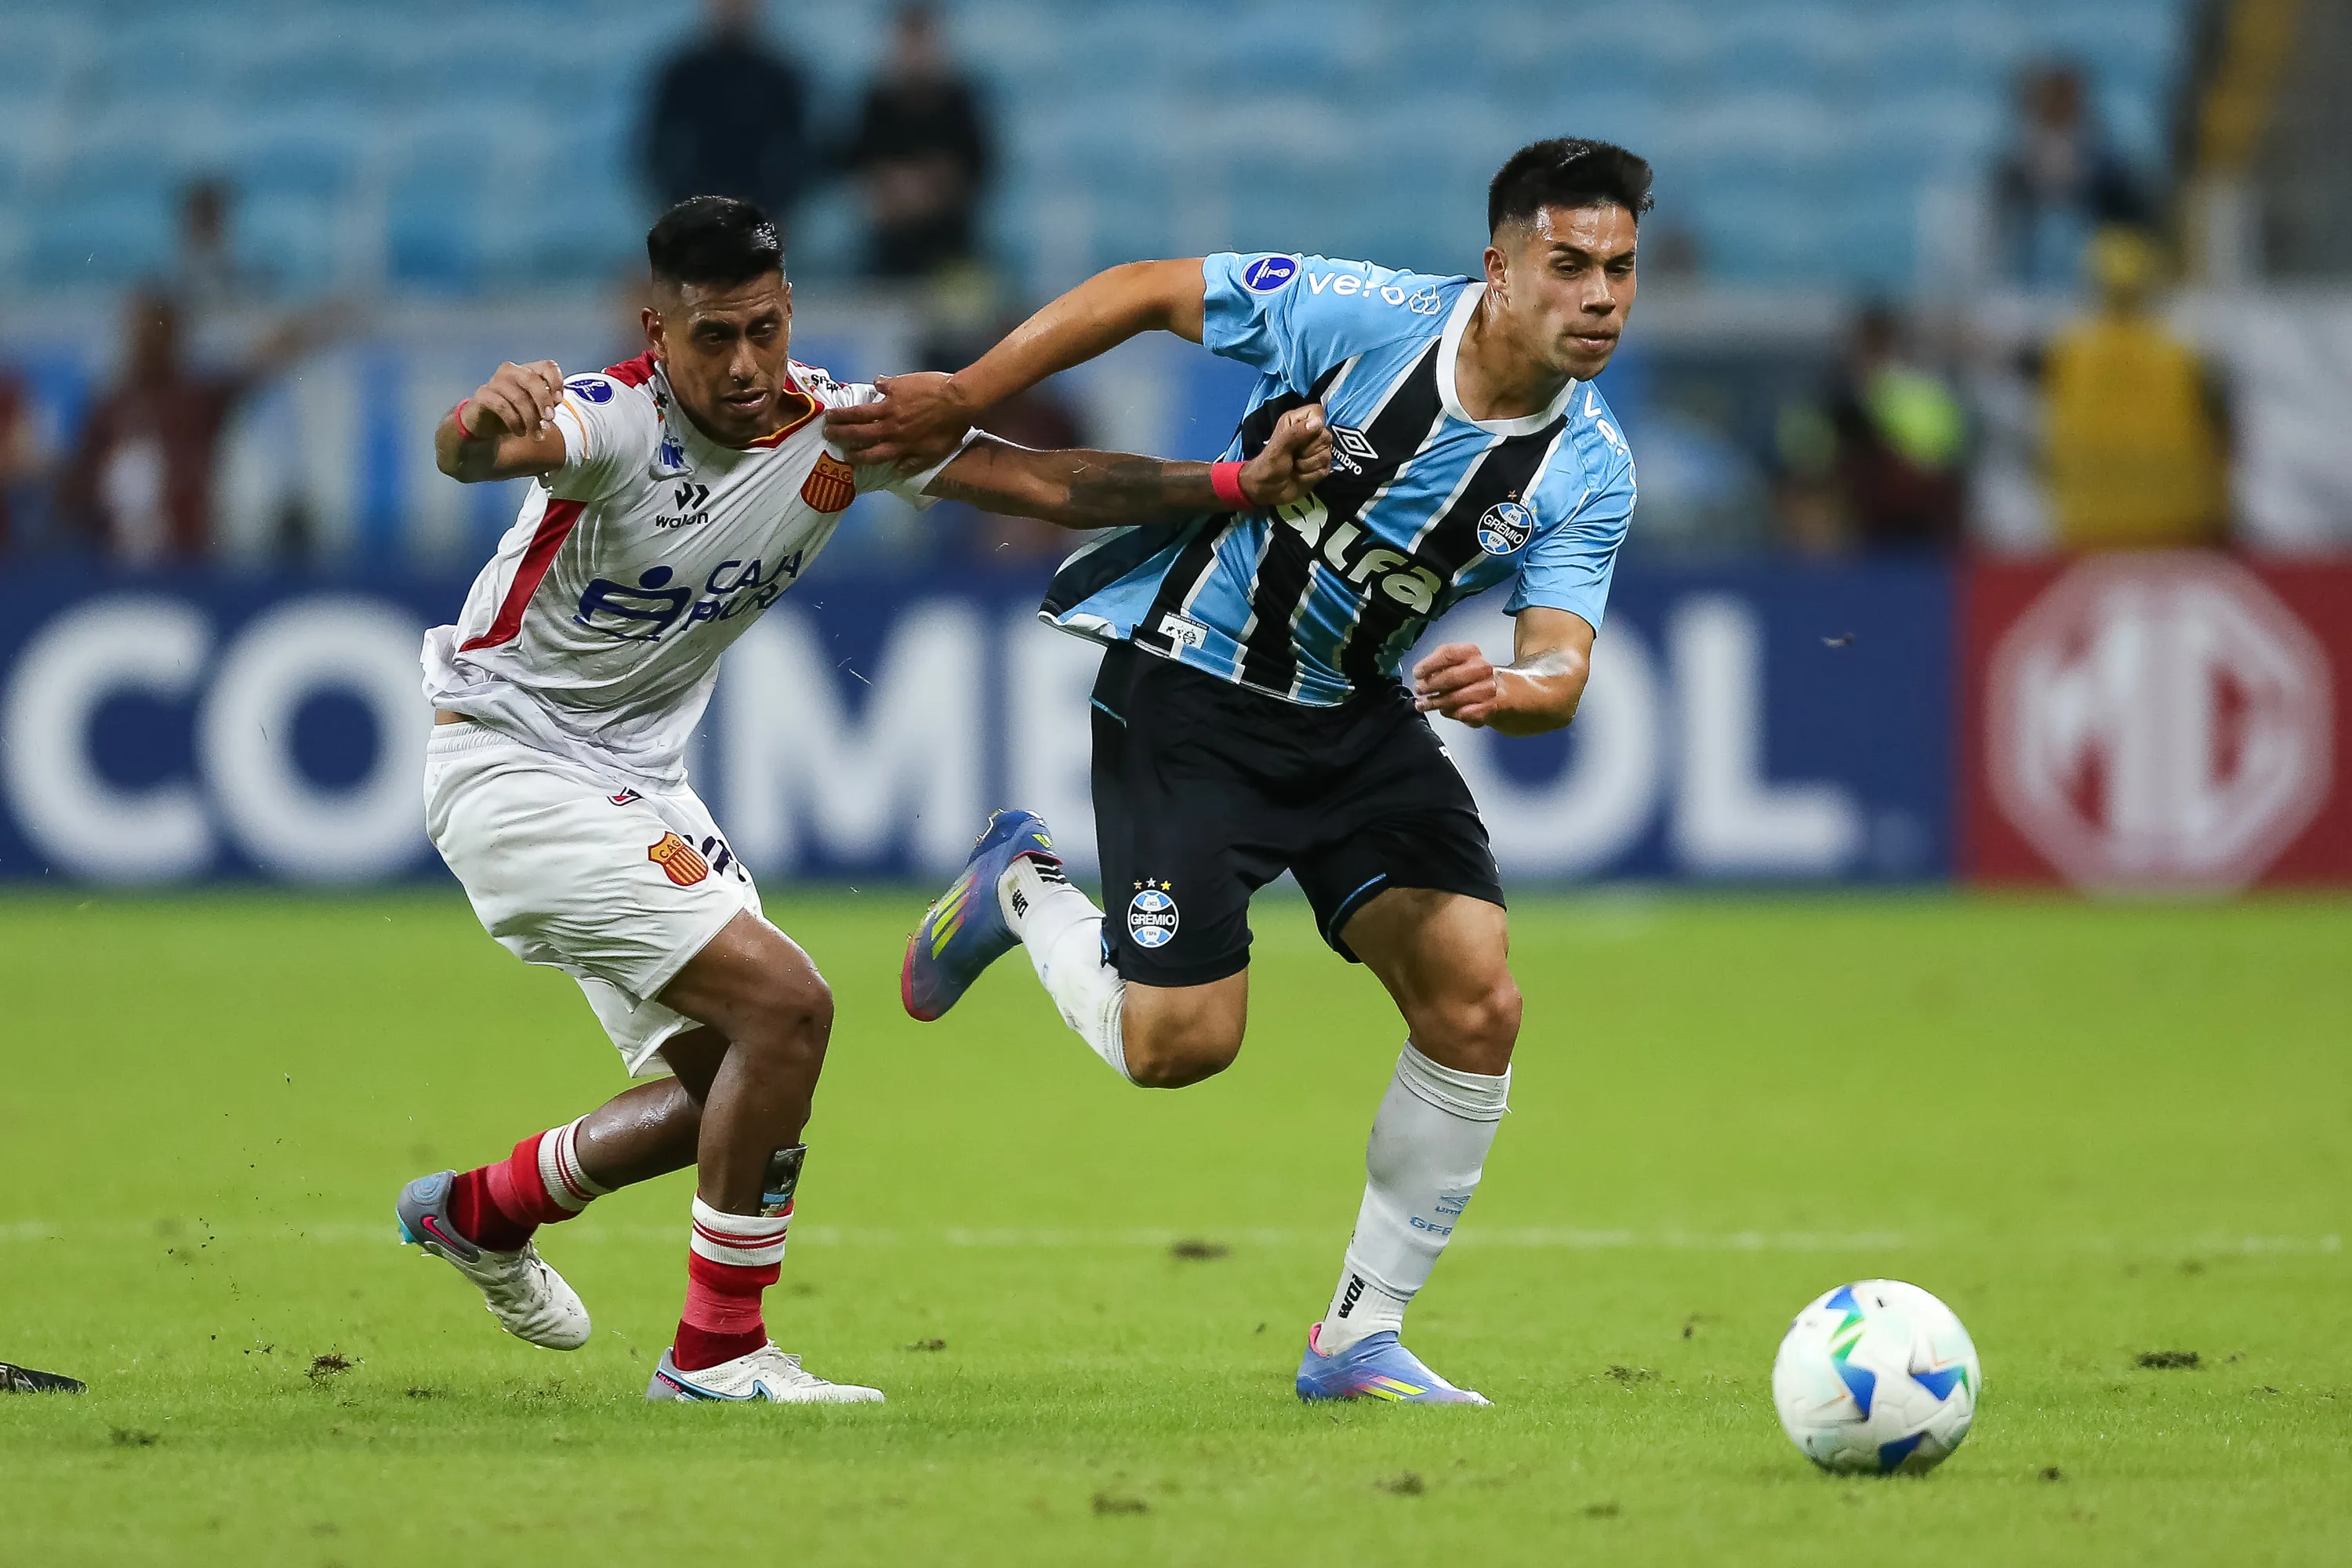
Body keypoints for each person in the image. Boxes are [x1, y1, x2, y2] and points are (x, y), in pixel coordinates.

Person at [400, 195, 1331, 1405]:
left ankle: (480, 1212)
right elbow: (476, 453)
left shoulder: (836, 428)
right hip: (508, 764)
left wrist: (1224, 481)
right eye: (711, 338)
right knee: (789, 1010)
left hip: (636, 783)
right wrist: (482, 415)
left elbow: (1046, 484)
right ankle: (716, 1354)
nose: (744, 366)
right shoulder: (610, 422)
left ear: (791, 314)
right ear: (656, 332)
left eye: (765, 330)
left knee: (722, 1087)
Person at [831, 137, 1648, 1406]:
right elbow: (1148, 288)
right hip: (1191, 693)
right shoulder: (1369, 322)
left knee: (1477, 1004)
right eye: (1570, 264)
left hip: (1352, 716)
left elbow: (1563, 662)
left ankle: (1356, 1341)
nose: (1600, 296)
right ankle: (1022, 890)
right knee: (1180, 1048)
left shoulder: (1588, 468)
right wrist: (967, 388)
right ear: (1500, 268)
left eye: (1621, 269)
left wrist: (1518, 690)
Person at [58, 289, 318, 564]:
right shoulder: (109, 408)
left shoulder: (197, 399)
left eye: (157, 332)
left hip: (189, 559)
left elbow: (259, 363)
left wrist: (315, 326)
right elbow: (75, 489)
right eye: (141, 332)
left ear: (175, 337)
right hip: (119, 561)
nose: (149, 342)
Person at [2042, 226, 2227, 548]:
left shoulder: (2069, 351)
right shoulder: (2181, 352)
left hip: (2088, 517)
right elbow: (2220, 427)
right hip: (2176, 517)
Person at [844, 4, 993, 280]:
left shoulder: (962, 104)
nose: (915, 53)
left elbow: (979, 174)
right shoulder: (876, 106)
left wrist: (928, 189)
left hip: (956, 252)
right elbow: (861, 175)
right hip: (887, 255)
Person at [641, 0, 814, 231]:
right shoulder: (683, 74)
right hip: (693, 212)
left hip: (764, 213)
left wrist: (779, 208)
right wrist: (674, 204)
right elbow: (658, 148)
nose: (733, 8)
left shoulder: (778, 77)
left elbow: (798, 151)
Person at [1992, 63, 2150, 291]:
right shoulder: (2011, 170)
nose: (2056, 109)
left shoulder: (2112, 171)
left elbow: (2131, 233)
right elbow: (1997, 238)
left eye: (2063, 103)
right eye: (2048, 105)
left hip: (2096, 288)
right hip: (2022, 287)